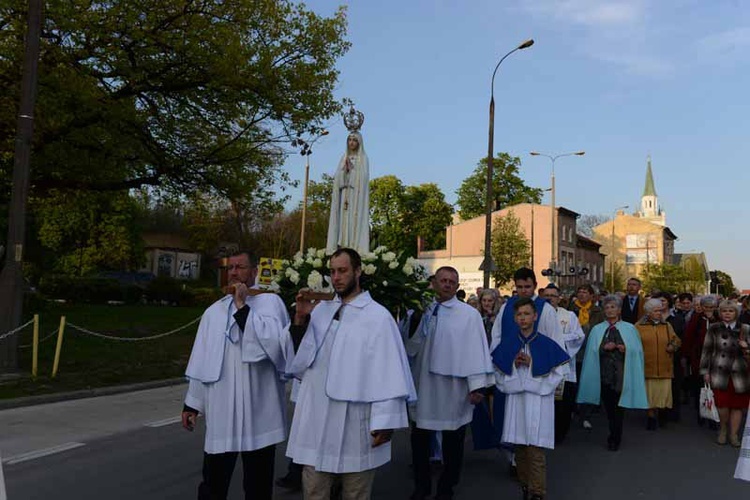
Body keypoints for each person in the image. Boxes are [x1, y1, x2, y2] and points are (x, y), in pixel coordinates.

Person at [286, 248, 416, 500]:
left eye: (343, 271)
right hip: (317, 419)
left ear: (358, 272)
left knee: (355, 493)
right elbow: (298, 362)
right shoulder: (320, 311)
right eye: (332, 271)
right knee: (314, 491)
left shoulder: (378, 317)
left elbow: (389, 372)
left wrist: (386, 421)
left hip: (355, 423)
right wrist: (300, 319)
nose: (336, 277)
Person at [182, 251, 293, 500]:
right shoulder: (213, 312)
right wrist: (192, 403)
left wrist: (243, 307)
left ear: (253, 271)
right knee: (213, 483)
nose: (233, 272)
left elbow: (275, 347)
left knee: (258, 485)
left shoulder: (270, 303)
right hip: (222, 408)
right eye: (230, 267)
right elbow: (202, 359)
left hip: (258, 408)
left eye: (240, 267)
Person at [406, 266, 494, 500]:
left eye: (451, 282)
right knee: (420, 441)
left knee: (453, 443)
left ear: (457, 286)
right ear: (434, 282)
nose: (446, 284)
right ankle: (421, 486)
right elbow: (409, 346)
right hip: (424, 385)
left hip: (454, 389)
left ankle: (446, 488)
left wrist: (477, 385)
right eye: (442, 280)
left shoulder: (468, 315)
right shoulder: (421, 309)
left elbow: (476, 350)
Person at [489, 268, 565, 476]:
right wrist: (505, 359)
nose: (523, 291)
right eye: (519, 287)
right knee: (510, 419)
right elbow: (496, 339)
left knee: (533, 424)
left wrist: (538, 360)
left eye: (527, 286)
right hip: (512, 374)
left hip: (535, 376)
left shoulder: (545, 310)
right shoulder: (506, 309)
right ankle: (514, 461)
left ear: (535, 285)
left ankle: (533, 467)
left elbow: (555, 342)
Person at [493, 297, 570, 500]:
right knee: (520, 448)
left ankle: (537, 492)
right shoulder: (509, 344)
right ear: (514, 318)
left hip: (538, 400)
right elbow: (497, 372)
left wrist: (533, 362)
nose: (523, 318)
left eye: (527, 314)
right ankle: (526, 486)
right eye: (519, 314)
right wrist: (512, 365)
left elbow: (559, 372)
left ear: (535, 316)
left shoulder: (546, 344)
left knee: (535, 449)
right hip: (517, 400)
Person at [577, 294, 649, 451]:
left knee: (618, 408)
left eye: (613, 307)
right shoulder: (597, 329)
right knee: (609, 407)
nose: (610, 310)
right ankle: (613, 432)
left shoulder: (629, 329)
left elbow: (637, 351)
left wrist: (626, 349)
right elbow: (591, 351)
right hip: (603, 375)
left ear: (619, 310)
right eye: (607, 307)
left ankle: (615, 438)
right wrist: (604, 348)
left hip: (622, 375)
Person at [699, 300, 750, 447]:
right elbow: (706, 351)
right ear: (720, 313)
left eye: (731, 311)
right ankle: (723, 428)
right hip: (718, 371)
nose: (727, 314)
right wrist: (705, 371)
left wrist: (746, 347)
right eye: (724, 311)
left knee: (737, 405)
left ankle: (734, 434)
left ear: (736, 313)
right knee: (722, 404)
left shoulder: (745, 329)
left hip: (740, 372)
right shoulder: (714, 328)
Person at [542, 284, 585, 444]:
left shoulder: (569, 316)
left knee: (563, 403)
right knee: (546, 402)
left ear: (559, 298)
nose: (549, 298)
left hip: (564, 365)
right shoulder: (536, 315)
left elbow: (578, 336)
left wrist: (559, 341)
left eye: (553, 295)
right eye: (546, 295)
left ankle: (560, 432)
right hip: (544, 365)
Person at [636, 298, 681, 430]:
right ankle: (651, 417)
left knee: (663, 395)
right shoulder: (639, 327)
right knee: (650, 395)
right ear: (648, 312)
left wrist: (673, 346)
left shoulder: (667, 326)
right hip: (647, 367)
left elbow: (676, 340)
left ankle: (662, 415)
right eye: (656, 311)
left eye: (660, 311)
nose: (659, 313)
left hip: (664, 366)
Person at [326, 130, 370, 254]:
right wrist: (344, 172)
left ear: (359, 143)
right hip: (344, 196)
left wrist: (353, 170)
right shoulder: (343, 158)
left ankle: (355, 247)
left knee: (353, 222)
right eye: (349, 140)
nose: (351, 142)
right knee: (343, 223)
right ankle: (342, 246)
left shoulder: (363, 159)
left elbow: (364, 179)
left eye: (354, 140)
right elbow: (337, 180)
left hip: (356, 198)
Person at [568, 283, 604, 430]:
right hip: (573, 351)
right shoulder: (570, 310)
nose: (582, 295)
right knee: (572, 383)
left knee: (587, 382)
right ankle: (571, 410)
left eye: (585, 292)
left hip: (590, 351)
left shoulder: (597, 311)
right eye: (580, 292)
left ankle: (586, 414)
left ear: (591, 295)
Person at [683, 295, 719, 424]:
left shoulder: (719, 318)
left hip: (716, 359)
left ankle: (713, 417)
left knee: (715, 387)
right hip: (699, 358)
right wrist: (687, 355)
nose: (709, 309)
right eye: (706, 307)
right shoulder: (696, 319)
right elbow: (689, 337)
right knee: (700, 387)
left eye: (712, 307)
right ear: (702, 307)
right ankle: (701, 413)